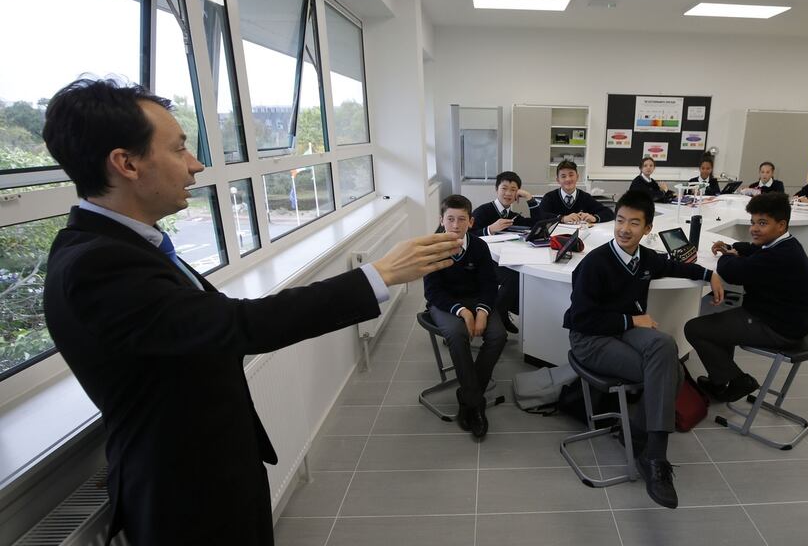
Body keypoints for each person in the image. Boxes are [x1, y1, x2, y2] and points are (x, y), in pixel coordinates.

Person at [40, 78, 462, 546]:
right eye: (179, 149)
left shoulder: (127, 246)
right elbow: (236, 324)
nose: (196, 165)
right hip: (186, 493)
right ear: (127, 163)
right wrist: (377, 275)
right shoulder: (98, 265)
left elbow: (201, 327)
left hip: (210, 472)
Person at [564, 190, 724, 509]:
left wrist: (710, 274)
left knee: (665, 347)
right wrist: (630, 319)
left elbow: (675, 265)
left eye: (634, 223)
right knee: (671, 371)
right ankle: (653, 455)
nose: (624, 228)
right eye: (620, 220)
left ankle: (644, 443)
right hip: (590, 339)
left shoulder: (644, 258)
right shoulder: (595, 264)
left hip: (625, 332)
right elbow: (578, 317)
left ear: (647, 229)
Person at [684, 192, 808, 403]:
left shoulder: (778, 256)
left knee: (695, 328)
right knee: (720, 325)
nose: (754, 228)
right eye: (753, 222)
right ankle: (721, 381)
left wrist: (727, 256)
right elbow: (755, 249)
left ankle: (737, 380)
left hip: (778, 327)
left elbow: (731, 273)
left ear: (781, 225)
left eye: (762, 223)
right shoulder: (785, 244)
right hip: (787, 320)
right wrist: (734, 248)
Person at [424, 195, 507, 439]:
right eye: (450, 219)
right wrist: (462, 312)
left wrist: (481, 312)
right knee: (457, 333)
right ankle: (476, 405)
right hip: (445, 304)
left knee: (498, 335)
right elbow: (432, 291)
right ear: (441, 220)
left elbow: (490, 285)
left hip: (476, 301)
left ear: (471, 222)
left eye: (461, 219)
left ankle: (468, 398)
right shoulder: (433, 248)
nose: (455, 225)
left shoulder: (479, 246)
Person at [470, 170, 540, 332]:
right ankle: (500, 312)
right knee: (514, 276)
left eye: (513, 190)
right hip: (482, 261)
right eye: (504, 188)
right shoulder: (483, 211)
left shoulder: (513, 216)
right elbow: (469, 236)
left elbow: (538, 223)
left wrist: (529, 198)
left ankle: (505, 309)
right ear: (496, 190)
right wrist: (489, 229)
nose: (508, 193)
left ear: (517, 195)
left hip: (505, 257)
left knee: (523, 275)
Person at [538, 160, 614, 224]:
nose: (568, 179)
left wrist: (594, 218)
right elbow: (540, 215)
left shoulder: (585, 197)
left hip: (581, 236)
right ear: (558, 180)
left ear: (577, 177)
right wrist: (562, 218)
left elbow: (608, 213)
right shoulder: (550, 197)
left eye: (571, 175)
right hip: (556, 236)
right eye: (563, 176)